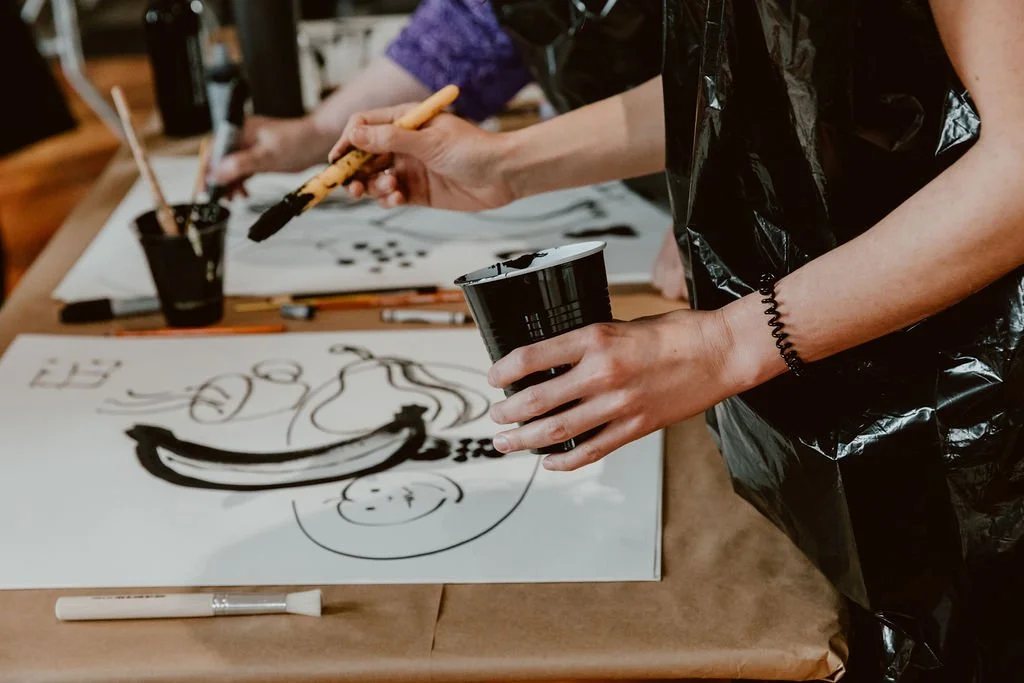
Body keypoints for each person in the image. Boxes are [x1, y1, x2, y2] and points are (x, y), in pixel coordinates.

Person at [328, 1, 1024, 679]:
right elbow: (744, 65)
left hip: (978, 401)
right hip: (837, 357)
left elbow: (1018, 174)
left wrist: (725, 343)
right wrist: (510, 163)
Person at [209, 0, 685, 299]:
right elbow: (479, 25)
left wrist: (716, 194)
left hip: (740, 186)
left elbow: (743, 73)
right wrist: (317, 132)